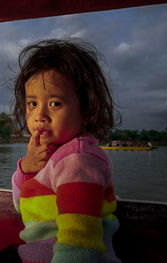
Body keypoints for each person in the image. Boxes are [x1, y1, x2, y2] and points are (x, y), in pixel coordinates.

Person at [11, 38, 121, 263]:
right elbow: (22, 206)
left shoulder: (78, 160)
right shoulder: (50, 155)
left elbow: (79, 242)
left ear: (87, 110)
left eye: (54, 104)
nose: (39, 115)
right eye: (32, 103)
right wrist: (26, 168)